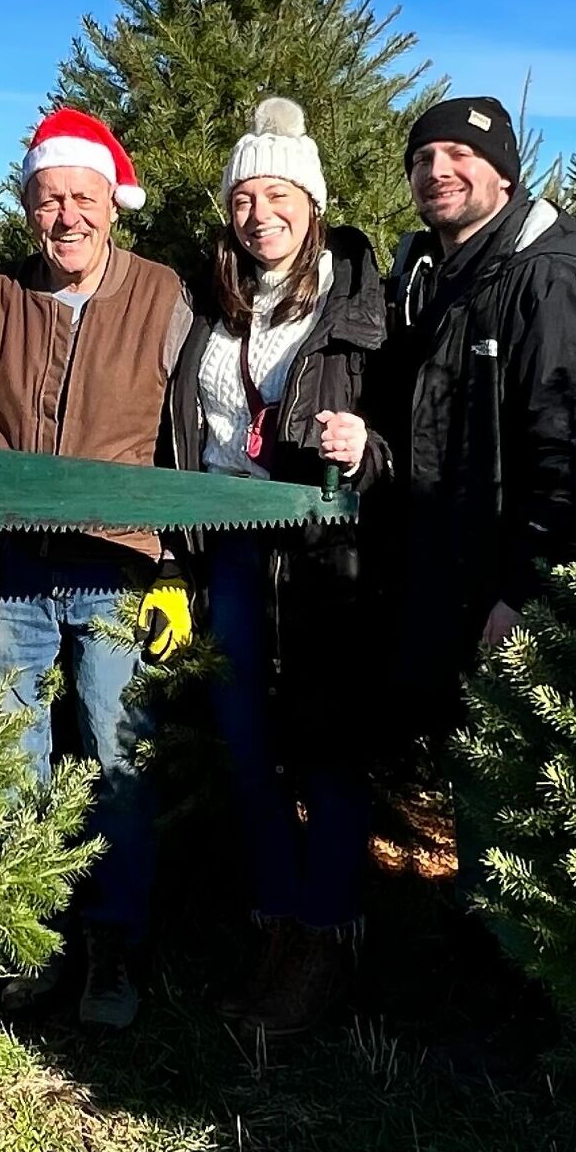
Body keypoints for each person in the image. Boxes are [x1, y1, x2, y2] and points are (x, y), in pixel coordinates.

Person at [166, 98, 389, 1036]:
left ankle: (327, 931)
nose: (260, 214)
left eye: (280, 195)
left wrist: (368, 443)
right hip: (228, 548)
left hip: (321, 553)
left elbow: (416, 423)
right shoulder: (207, 299)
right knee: (245, 735)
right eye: (245, 197)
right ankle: (273, 916)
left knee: (329, 744)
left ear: (313, 203)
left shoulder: (362, 297)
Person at [0, 106, 194, 1030]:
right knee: (12, 757)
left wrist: (179, 563)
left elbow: (199, 431)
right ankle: (27, 935)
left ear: (113, 206)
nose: (65, 217)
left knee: (120, 759)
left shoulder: (164, 295)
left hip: (117, 569)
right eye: (48, 200)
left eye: (82, 199)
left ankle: (116, 944)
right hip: (18, 574)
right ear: (29, 206)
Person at [381, 95, 576, 795]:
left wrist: (526, 590)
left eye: (462, 155)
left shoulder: (546, 281)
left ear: (506, 179)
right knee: (469, 779)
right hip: (446, 578)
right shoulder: (424, 283)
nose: (439, 170)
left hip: (509, 587)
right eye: (424, 158)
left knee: (512, 792)